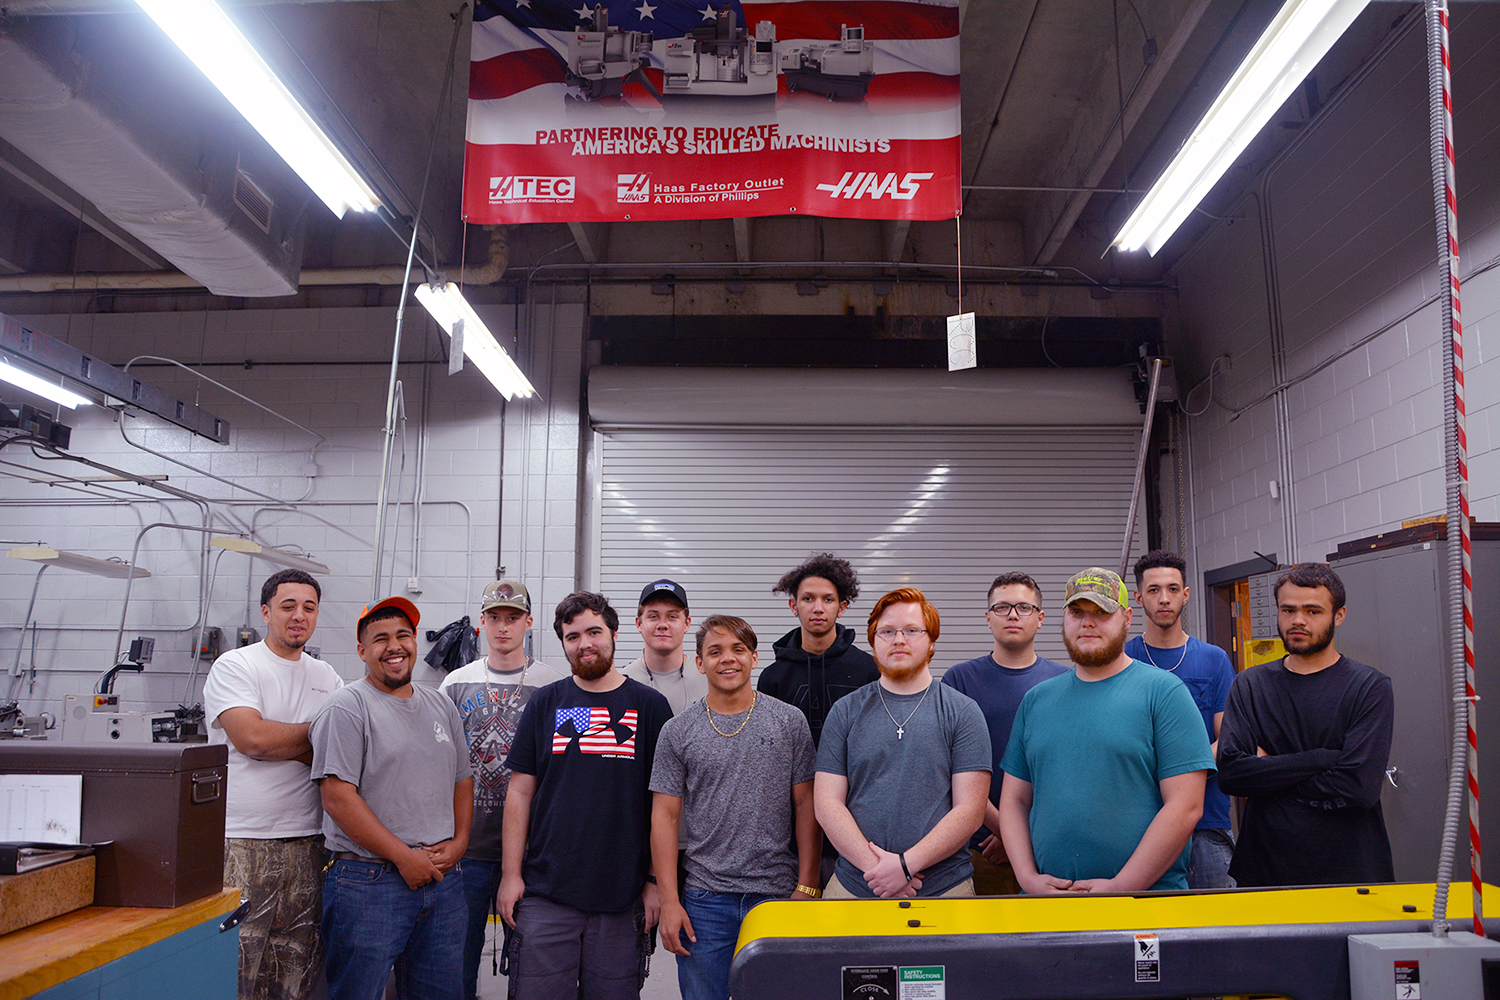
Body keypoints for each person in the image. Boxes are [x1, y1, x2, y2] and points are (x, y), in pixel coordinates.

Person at [499, 592, 673, 1000]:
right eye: (572, 636)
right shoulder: (545, 703)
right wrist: (510, 875)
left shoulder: (649, 707)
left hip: (622, 896)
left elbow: (664, 808)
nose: (585, 644)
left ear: (614, 633)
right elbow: (520, 794)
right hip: (546, 893)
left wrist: (654, 883)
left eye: (594, 631)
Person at [999, 568, 1214, 893]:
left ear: (1127, 618)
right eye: (1077, 612)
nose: (1088, 622)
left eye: (1102, 612)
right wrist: (1027, 878)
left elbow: (1185, 807)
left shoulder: (1164, 693)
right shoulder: (1037, 701)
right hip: (1050, 903)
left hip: (1145, 904)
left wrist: (1123, 885)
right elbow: (1014, 801)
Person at [310, 597, 473, 1000]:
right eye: (380, 638)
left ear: (415, 642)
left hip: (443, 880)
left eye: (403, 634)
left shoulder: (440, 704)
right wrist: (404, 857)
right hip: (369, 883)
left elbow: (462, 780)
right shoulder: (347, 708)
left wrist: (461, 842)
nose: (394, 646)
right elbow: (337, 799)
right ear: (362, 651)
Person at [649, 616, 819, 1000]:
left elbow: (807, 805)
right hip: (704, 902)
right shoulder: (678, 731)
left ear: (754, 657)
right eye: (715, 651)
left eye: (738, 649)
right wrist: (670, 901)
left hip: (776, 897)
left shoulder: (789, 722)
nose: (728, 659)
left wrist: (807, 884)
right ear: (698, 663)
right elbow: (665, 817)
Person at [203, 568, 343, 1000]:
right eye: (288, 606)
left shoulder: (328, 677)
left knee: (294, 976)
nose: (298, 615)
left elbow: (341, 751)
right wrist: (316, 736)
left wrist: (297, 742)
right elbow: (254, 739)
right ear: (266, 612)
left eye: (309, 607)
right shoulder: (236, 665)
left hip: (307, 845)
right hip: (242, 845)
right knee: (233, 974)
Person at [1217, 563, 1395, 887]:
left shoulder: (1369, 687)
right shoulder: (1250, 685)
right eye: (1289, 609)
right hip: (1264, 872)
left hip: (1350, 874)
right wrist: (1322, 759)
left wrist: (1268, 767)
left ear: (1338, 615)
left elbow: (1357, 788)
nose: (1298, 620)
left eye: (1313, 611)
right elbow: (1232, 775)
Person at [813, 587, 991, 899]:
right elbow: (827, 804)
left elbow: (971, 810)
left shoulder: (963, 712)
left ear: (931, 640)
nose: (898, 640)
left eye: (911, 630)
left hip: (944, 888)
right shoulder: (845, 711)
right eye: (887, 631)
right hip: (855, 885)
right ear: (873, 641)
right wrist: (881, 872)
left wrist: (906, 867)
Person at [439, 579, 568, 1000]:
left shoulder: (556, 685)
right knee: (457, 958)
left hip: (532, 851)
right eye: (494, 617)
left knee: (532, 963)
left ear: (528, 623)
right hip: (468, 849)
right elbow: (438, 762)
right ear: (481, 623)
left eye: (513, 618)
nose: (503, 627)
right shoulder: (455, 684)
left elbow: (570, 766)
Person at [940, 572, 1067, 895]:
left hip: (1046, 845)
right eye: (1002, 607)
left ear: (1040, 619)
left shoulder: (1066, 682)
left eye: (1024, 607)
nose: (1012, 615)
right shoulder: (959, 681)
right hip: (978, 846)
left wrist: (1019, 837)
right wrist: (1006, 831)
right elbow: (951, 767)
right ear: (987, 618)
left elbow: (1066, 769)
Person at [1124, 549, 1238, 889]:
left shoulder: (1214, 660)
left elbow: (1229, 737)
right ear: (1139, 597)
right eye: (1154, 590)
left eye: (1173, 589)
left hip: (1207, 824)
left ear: (1185, 595)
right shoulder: (1122, 658)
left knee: (1217, 930)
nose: (1164, 599)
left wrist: (1183, 775)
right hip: (1138, 824)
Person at [756, 552, 878, 747]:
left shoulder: (869, 670)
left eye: (828, 600)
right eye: (808, 599)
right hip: (794, 778)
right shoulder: (772, 678)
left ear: (842, 607)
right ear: (793, 606)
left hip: (854, 777)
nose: (818, 608)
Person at [620, 579, 706, 716]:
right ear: (639, 624)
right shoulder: (622, 682)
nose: (663, 625)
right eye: (653, 616)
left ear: (687, 623)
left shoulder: (708, 679)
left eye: (672, 616)